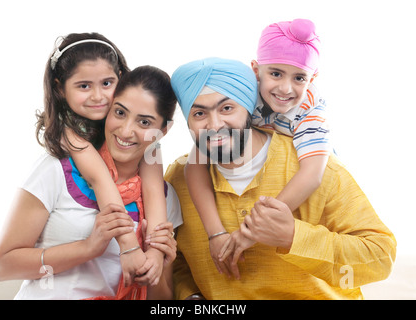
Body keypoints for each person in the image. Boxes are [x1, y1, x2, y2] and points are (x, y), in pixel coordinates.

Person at [166, 57, 396, 299]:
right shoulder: (177, 179)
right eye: (199, 113)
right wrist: (190, 295)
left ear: (247, 107)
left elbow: (381, 258)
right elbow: (177, 260)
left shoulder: (316, 168)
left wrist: (293, 237)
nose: (214, 125)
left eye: (227, 108)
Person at [0, 65, 181, 300]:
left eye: (144, 123)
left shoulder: (164, 201)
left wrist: (159, 267)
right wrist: (88, 248)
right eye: (120, 113)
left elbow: (160, 301)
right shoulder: (57, 170)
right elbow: (3, 266)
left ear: (163, 130)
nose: (126, 130)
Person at [183, 19, 332, 274]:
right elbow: (195, 163)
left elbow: (312, 174)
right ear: (256, 70)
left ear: (313, 78)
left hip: (302, 179)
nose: (285, 88)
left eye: (299, 78)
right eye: (275, 73)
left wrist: (252, 230)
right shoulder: (243, 97)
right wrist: (215, 232)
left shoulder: (310, 111)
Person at [35, 33, 168, 284]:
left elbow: (154, 191)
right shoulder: (70, 132)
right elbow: (99, 179)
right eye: (84, 86)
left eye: (107, 83)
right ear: (60, 89)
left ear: (121, 76)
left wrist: (157, 251)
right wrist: (129, 246)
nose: (98, 96)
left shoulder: (140, 130)